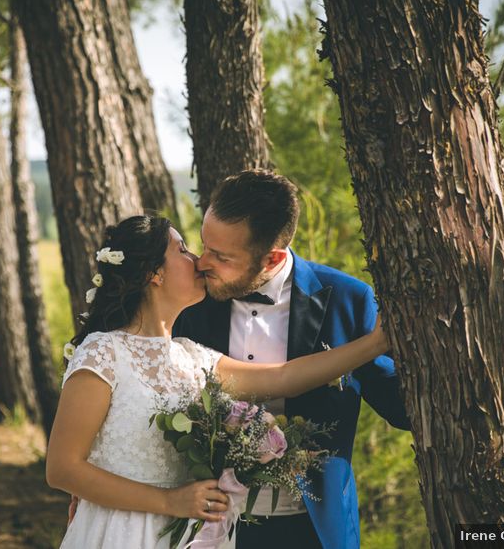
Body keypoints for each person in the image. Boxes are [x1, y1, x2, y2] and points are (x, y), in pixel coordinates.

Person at [49, 214, 393, 549]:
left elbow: (285, 377)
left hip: (189, 534)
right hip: (120, 531)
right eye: (183, 250)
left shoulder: (192, 357)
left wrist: (376, 343)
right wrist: (170, 501)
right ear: (154, 273)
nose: (198, 261)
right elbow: (62, 468)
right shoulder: (103, 352)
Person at [173, 170, 410, 549]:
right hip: (210, 526)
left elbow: (402, 409)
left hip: (313, 527)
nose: (202, 262)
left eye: (220, 255)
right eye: (204, 246)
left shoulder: (347, 301)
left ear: (273, 257)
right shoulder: (190, 302)